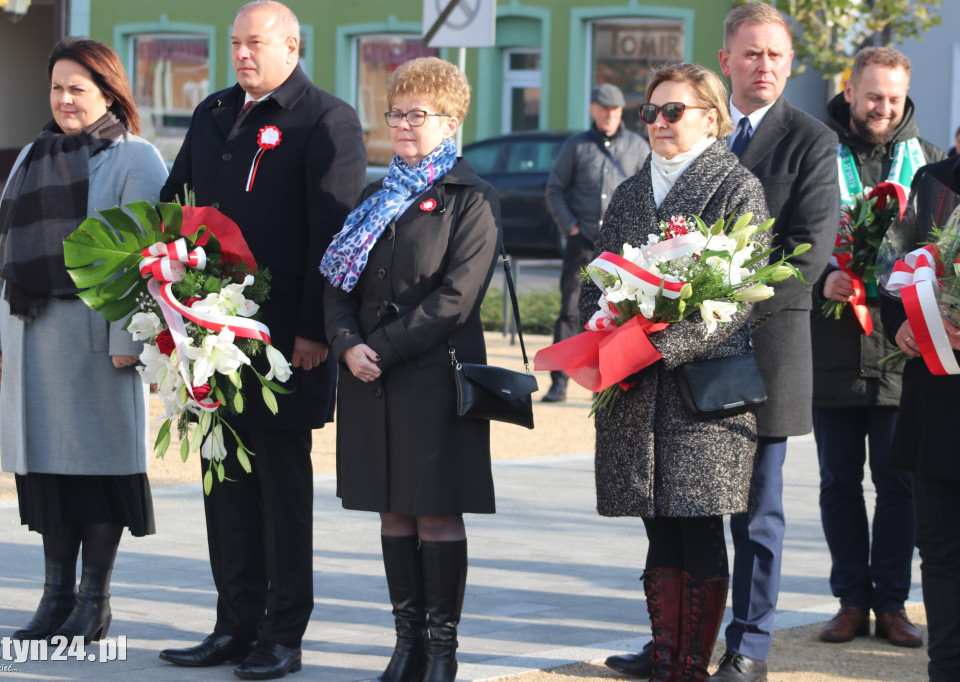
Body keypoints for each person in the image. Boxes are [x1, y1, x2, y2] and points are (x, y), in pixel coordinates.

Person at [605, 8, 841, 678]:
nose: (764, 65)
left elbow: (807, 255)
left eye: (776, 54)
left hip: (761, 359)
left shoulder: (811, 142)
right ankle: (675, 647)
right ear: (727, 60)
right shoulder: (682, 137)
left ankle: (749, 646)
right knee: (674, 508)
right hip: (667, 361)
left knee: (755, 516)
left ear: (790, 63)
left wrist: (716, 307)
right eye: (751, 54)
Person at [156, 2, 366, 679]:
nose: (243, 54)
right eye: (236, 42)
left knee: (278, 487)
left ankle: (282, 631)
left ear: (292, 46)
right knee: (223, 482)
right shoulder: (215, 112)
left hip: (282, 342)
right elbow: (174, 200)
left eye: (257, 43)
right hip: (212, 339)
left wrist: (312, 330)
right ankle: (233, 623)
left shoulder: (324, 119)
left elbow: (333, 238)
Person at [578, 62, 769, 682]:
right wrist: (603, 325)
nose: (658, 123)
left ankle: (690, 664)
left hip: (698, 390)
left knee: (698, 526)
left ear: (711, 117)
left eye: (673, 111)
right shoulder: (632, 191)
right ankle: (663, 656)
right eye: (651, 113)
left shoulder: (736, 187)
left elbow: (738, 300)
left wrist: (662, 345)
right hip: (634, 389)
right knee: (656, 525)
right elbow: (599, 278)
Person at [0, 37, 167, 644]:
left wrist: (127, 342)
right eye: (57, 88)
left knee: (96, 475)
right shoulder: (33, 152)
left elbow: (144, 257)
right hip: (30, 336)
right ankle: (54, 597)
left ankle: (94, 600)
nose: (64, 100)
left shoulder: (136, 159)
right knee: (47, 477)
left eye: (77, 89)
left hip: (93, 343)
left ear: (108, 91)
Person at [322, 56, 500, 682]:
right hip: (368, 372)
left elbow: (457, 297)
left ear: (450, 123)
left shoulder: (470, 200)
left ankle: (442, 650)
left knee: (434, 510)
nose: (402, 124)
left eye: (416, 115)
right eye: (395, 113)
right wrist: (345, 342)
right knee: (390, 509)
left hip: (433, 372)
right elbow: (337, 283)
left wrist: (386, 347)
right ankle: (406, 644)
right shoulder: (376, 196)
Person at [810, 45, 943, 652]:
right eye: (872, 96)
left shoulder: (933, 165)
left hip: (904, 354)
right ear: (850, 89)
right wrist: (819, 281)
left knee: (900, 485)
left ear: (905, 95)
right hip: (832, 347)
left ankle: (891, 604)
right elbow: (787, 241)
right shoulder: (816, 153)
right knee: (839, 483)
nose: (882, 108)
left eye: (893, 98)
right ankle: (850, 602)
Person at [881, 154, 960, 681]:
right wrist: (901, 328)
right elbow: (893, 265)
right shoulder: (935, 180)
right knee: (941, 548)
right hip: (941, 399)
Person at [542, 83, 649, 403]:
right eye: (603, 108)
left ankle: (608, 381)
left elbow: (649, 192)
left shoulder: (637, 147)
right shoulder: (576, 146)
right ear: (592, 109)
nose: (609, 115)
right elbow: (555, 189)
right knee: (569, 310)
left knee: (618, 314)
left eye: (615, 110)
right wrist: (570, 227)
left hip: (621, 251)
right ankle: (559, 381)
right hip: (582, 244)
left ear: (621, 113)